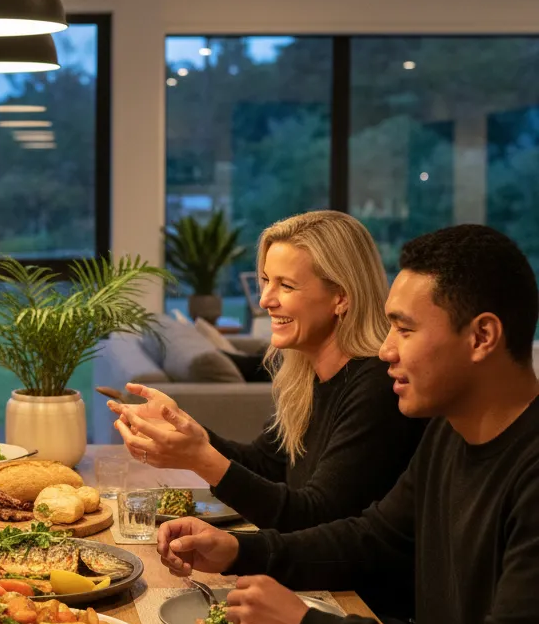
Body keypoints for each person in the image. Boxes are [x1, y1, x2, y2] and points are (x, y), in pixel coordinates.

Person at [157, 225, 539, 624]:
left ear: (482, 336)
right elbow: (372, 537)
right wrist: (240, 549)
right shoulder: (447, 436)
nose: (385, 349)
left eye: (404, 330)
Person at [110, 211, 426, 531]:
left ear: (341, 297)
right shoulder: (306, 377)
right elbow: (264, 465)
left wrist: (200, 458)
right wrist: (185, 431)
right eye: (266, 281)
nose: (264, 300)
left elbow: (318, 517)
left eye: (286, 285)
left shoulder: (379, 386)